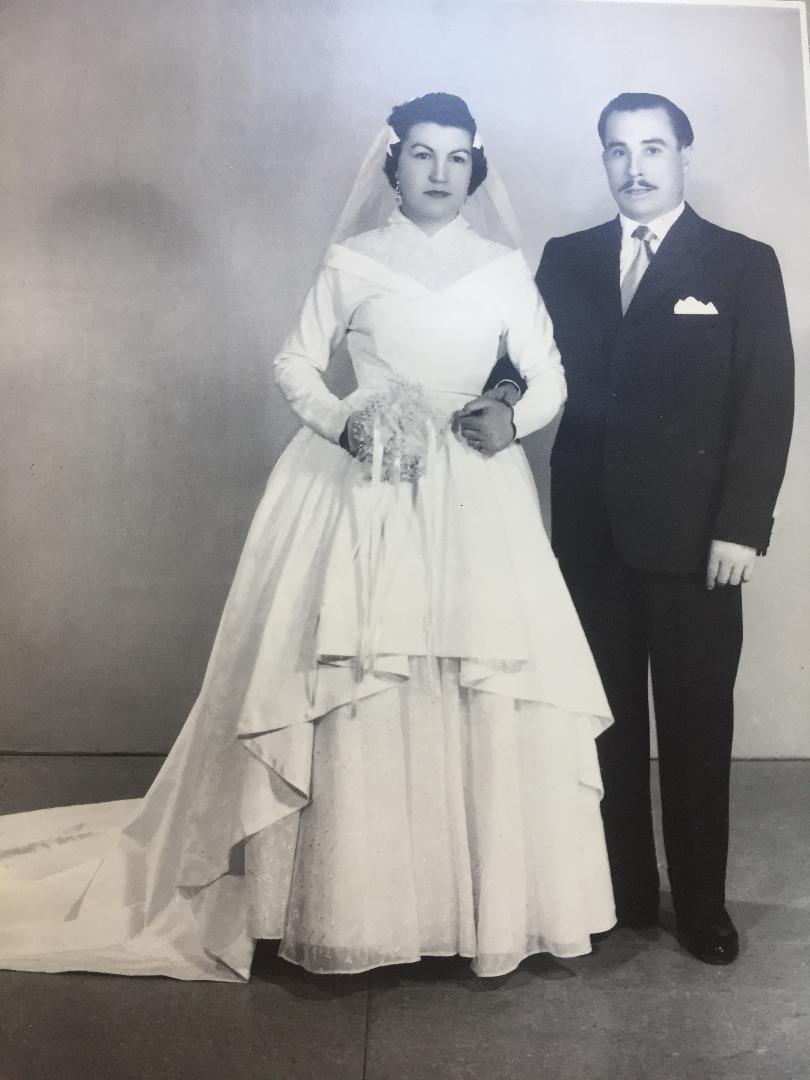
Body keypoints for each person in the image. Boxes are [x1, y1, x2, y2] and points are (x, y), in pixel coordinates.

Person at [0, 93, 615, 982]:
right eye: (421, 155)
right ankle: (359, 910)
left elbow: (549, 373)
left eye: (456, 158)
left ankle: (472, 908)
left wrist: (511, 420)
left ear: (474, 170)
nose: (439, 173)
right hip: (368, 484)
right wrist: (343, 422)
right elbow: (294, 360)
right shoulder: (355, 258)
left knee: (476, 675)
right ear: (394, 165)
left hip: (475, 488)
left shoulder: (501, 267)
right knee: (362, 681)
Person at [483, 92, 794, 965]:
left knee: (695, 730)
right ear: (604, 161)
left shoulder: (741, 263)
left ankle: (701, 907)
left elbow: (767, 403)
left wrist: (741, 527)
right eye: (618, 150)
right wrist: (500, 393)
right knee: (605, 727)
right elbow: (520, 357)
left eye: (653, 147)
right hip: (590, 539)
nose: (636, 166)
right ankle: (619, 896)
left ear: (685, 155)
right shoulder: (568, 257)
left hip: (699, 546)